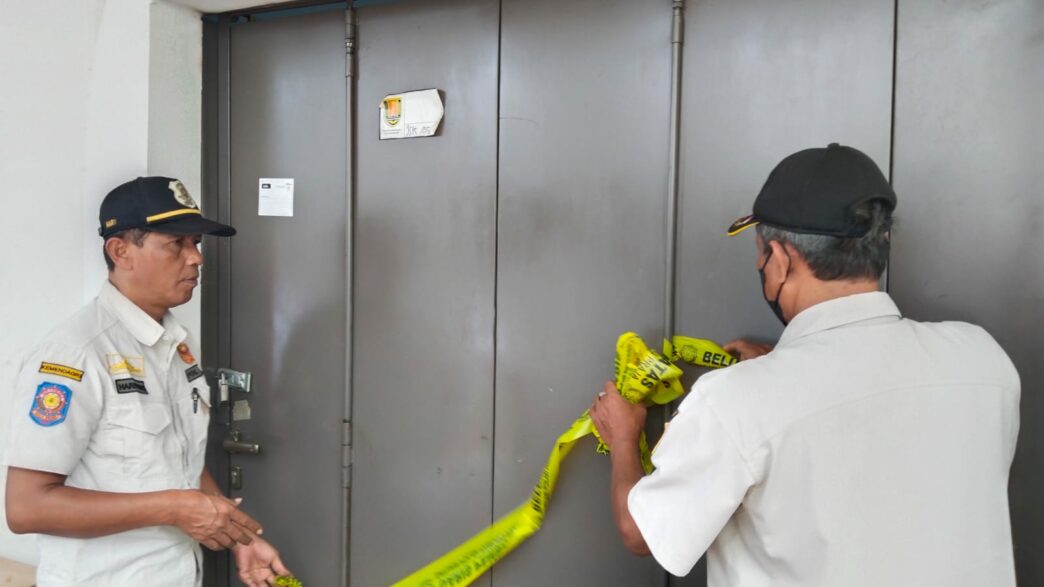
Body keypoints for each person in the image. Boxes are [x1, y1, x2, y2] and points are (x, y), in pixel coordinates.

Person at [589, 144, 1020, 586]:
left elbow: (639, 532)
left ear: (779, 261)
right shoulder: (983, 360)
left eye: (761, 253)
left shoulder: (736, 400)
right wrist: (778, 371)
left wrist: (623, 436)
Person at [5, 177, 291, 587]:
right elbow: (26, 508)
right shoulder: (75, 355)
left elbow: (177, 459)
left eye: (196, 243)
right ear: (120, 251)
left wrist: (237, 536)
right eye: (176, 244)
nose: (196, 258)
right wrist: (174, 508)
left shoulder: (175, 342)